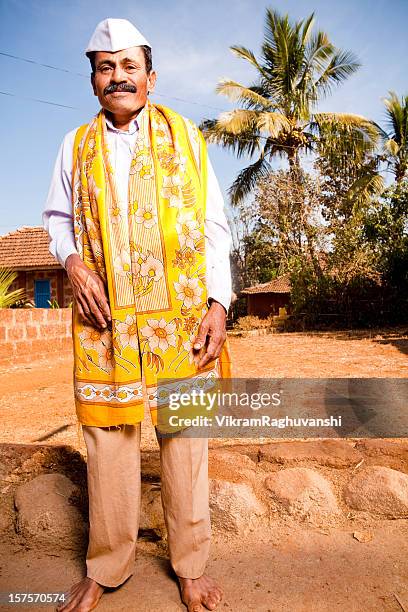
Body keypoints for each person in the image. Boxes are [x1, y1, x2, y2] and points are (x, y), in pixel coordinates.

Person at [42, 17, 232, 612]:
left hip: (179, 324)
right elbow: (56, 220)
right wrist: (72, 263)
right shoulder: (74, 146)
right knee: (108, 442)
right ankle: (105, 566)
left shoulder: (188, 140)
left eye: (129, 66)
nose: (118, 76)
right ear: (93, 80)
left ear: (151, 76)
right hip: (108, 328)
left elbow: (215, 226)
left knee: (185, 443)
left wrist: (220, 304)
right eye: (106, 66)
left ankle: (191, 564)